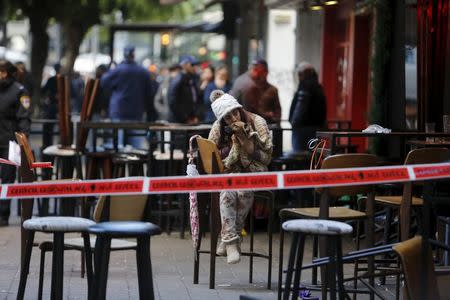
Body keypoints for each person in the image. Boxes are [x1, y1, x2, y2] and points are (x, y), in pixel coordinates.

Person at [208, 89, 272, 264]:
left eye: (234, 113)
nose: (233, 118)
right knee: (228, 191)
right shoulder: (218, 128)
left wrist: (248, 147)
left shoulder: (257, 122)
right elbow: (212, 156)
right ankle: (231, 242)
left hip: (254, 173)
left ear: (240, 109)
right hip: (229, 173)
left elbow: (267, 157)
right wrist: (231, 148)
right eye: (227, 117)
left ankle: (227, 239)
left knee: (243, 190)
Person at [101, 45, 156, 148]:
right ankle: (136, 165)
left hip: (118, 112)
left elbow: (103, 83)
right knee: (136, 149)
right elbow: (150, 93)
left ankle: (118, 164)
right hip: (136, 113)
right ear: (134, 55)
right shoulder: (143, 71)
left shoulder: (117, 70)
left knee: (118, 147)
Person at [0, 59, 31, 225]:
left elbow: (24, 118)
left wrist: (23, 141)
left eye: (2, 72)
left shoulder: (20, 91)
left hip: (10, 142)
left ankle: (3, 215)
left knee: (7, 178)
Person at [289, 62, 327, 151]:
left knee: (299, 156)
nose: (299, 76)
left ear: (306, 72)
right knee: (312, 157)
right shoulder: (318, 86)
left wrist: (294, 123)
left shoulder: (305, 86)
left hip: (303, 130)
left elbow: (300, 108)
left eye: (300, 73)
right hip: (316, 129)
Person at [230, 59, 281, 124]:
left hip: (266, 126)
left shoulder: (272, 90)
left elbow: (277, 112)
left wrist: (274, 120)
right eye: (254, 69)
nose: (256, 73)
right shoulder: (246, 86)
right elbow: (248, 108)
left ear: (266, 72)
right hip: (248, 126)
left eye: (258, 70)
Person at [168, 55, 202, 124]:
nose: (195, 67)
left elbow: (194, 100)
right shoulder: (179, 79)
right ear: (184, 65)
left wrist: (195, 116)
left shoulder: (192, 78)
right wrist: (185, 118)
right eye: (192, 65)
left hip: (190, 120)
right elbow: (172, 102)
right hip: (179, 122)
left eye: (195, 65)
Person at [41, 63, 62, 149]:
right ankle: (57, 145)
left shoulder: (52, 79)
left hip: (54, 106)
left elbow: (43, 90)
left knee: (50, 128)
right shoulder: (63, 80)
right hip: (58, 106)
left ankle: (48, 145)